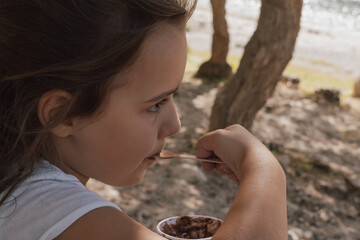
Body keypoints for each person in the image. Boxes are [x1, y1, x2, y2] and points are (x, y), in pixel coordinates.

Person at [0, 0, 287, 239]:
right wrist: (264, 169)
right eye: (156, 104)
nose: (175, 124)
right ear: (63, 114)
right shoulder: (48, 210)